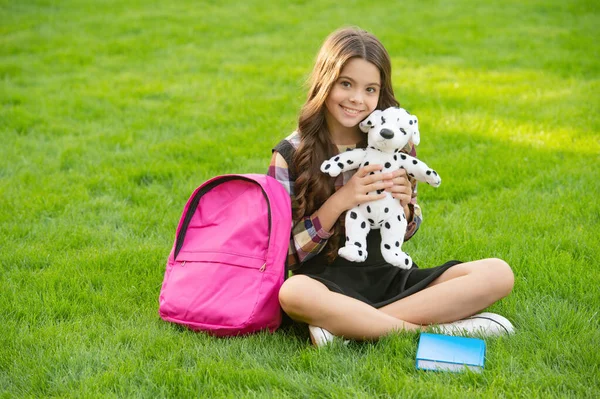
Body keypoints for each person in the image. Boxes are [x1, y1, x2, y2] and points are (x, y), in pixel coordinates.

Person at [268, 27, 515, 346]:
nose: (357, 99)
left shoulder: (394, 141)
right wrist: (340, 201)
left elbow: (406, 229)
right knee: (293, 292)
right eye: (346, 84)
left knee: (497, 273)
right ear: (325, 81)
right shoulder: (290, 154)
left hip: (390, 275)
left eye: (370, 89)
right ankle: (430, 332)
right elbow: (282, 255)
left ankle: (349, 329)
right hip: (324, 285)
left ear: (381, 92)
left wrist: (406, 208)